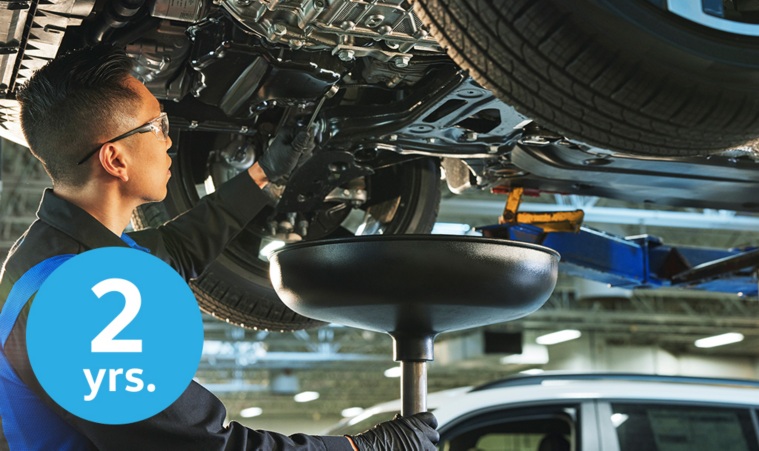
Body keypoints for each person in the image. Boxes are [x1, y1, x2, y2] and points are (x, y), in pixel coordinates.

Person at [0, 44, 439, 451]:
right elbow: (207, 446)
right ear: (116, 159)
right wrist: (361, 448)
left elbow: (180, 247)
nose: (170, 140)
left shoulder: (57, 255)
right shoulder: (69, 305)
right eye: (159, 126)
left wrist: (266, 172)